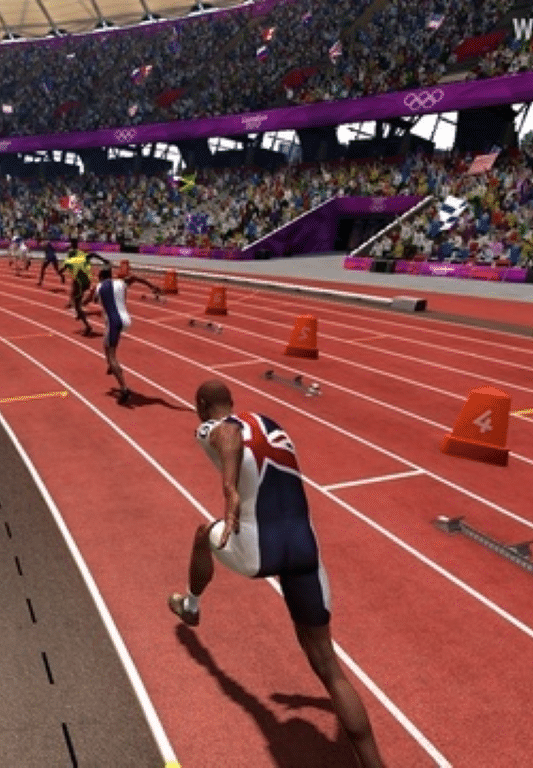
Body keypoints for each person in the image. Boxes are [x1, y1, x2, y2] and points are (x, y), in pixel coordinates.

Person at [168, 380, 384, 768]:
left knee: (203, 534)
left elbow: (228, 435)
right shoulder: (270, 423)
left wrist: (230, 489)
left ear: (202, 404)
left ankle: (191, 605)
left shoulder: (211, 426)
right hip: (304, 549)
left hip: (258, 549)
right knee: (329, 666)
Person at [91, 266, 161, 404]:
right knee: (106, 344)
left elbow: (92, 300)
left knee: (112, 355)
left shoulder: (99, 287)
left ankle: (124, 388)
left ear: (100, 277)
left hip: (113, 322)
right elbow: (135, 277)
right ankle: (111, 365)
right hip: (126, 320)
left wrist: (88, 295)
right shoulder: (120, 282)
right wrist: (152, 286)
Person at [62, 241, 110, 336]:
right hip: (85, 282)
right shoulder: (81, 258)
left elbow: (62, 270)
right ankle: (81, 308)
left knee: (77, 304)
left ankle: (87, 324)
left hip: (80, 283)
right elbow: (93, 254)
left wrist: (61, 274)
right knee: (77, 302)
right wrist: (103, 260)